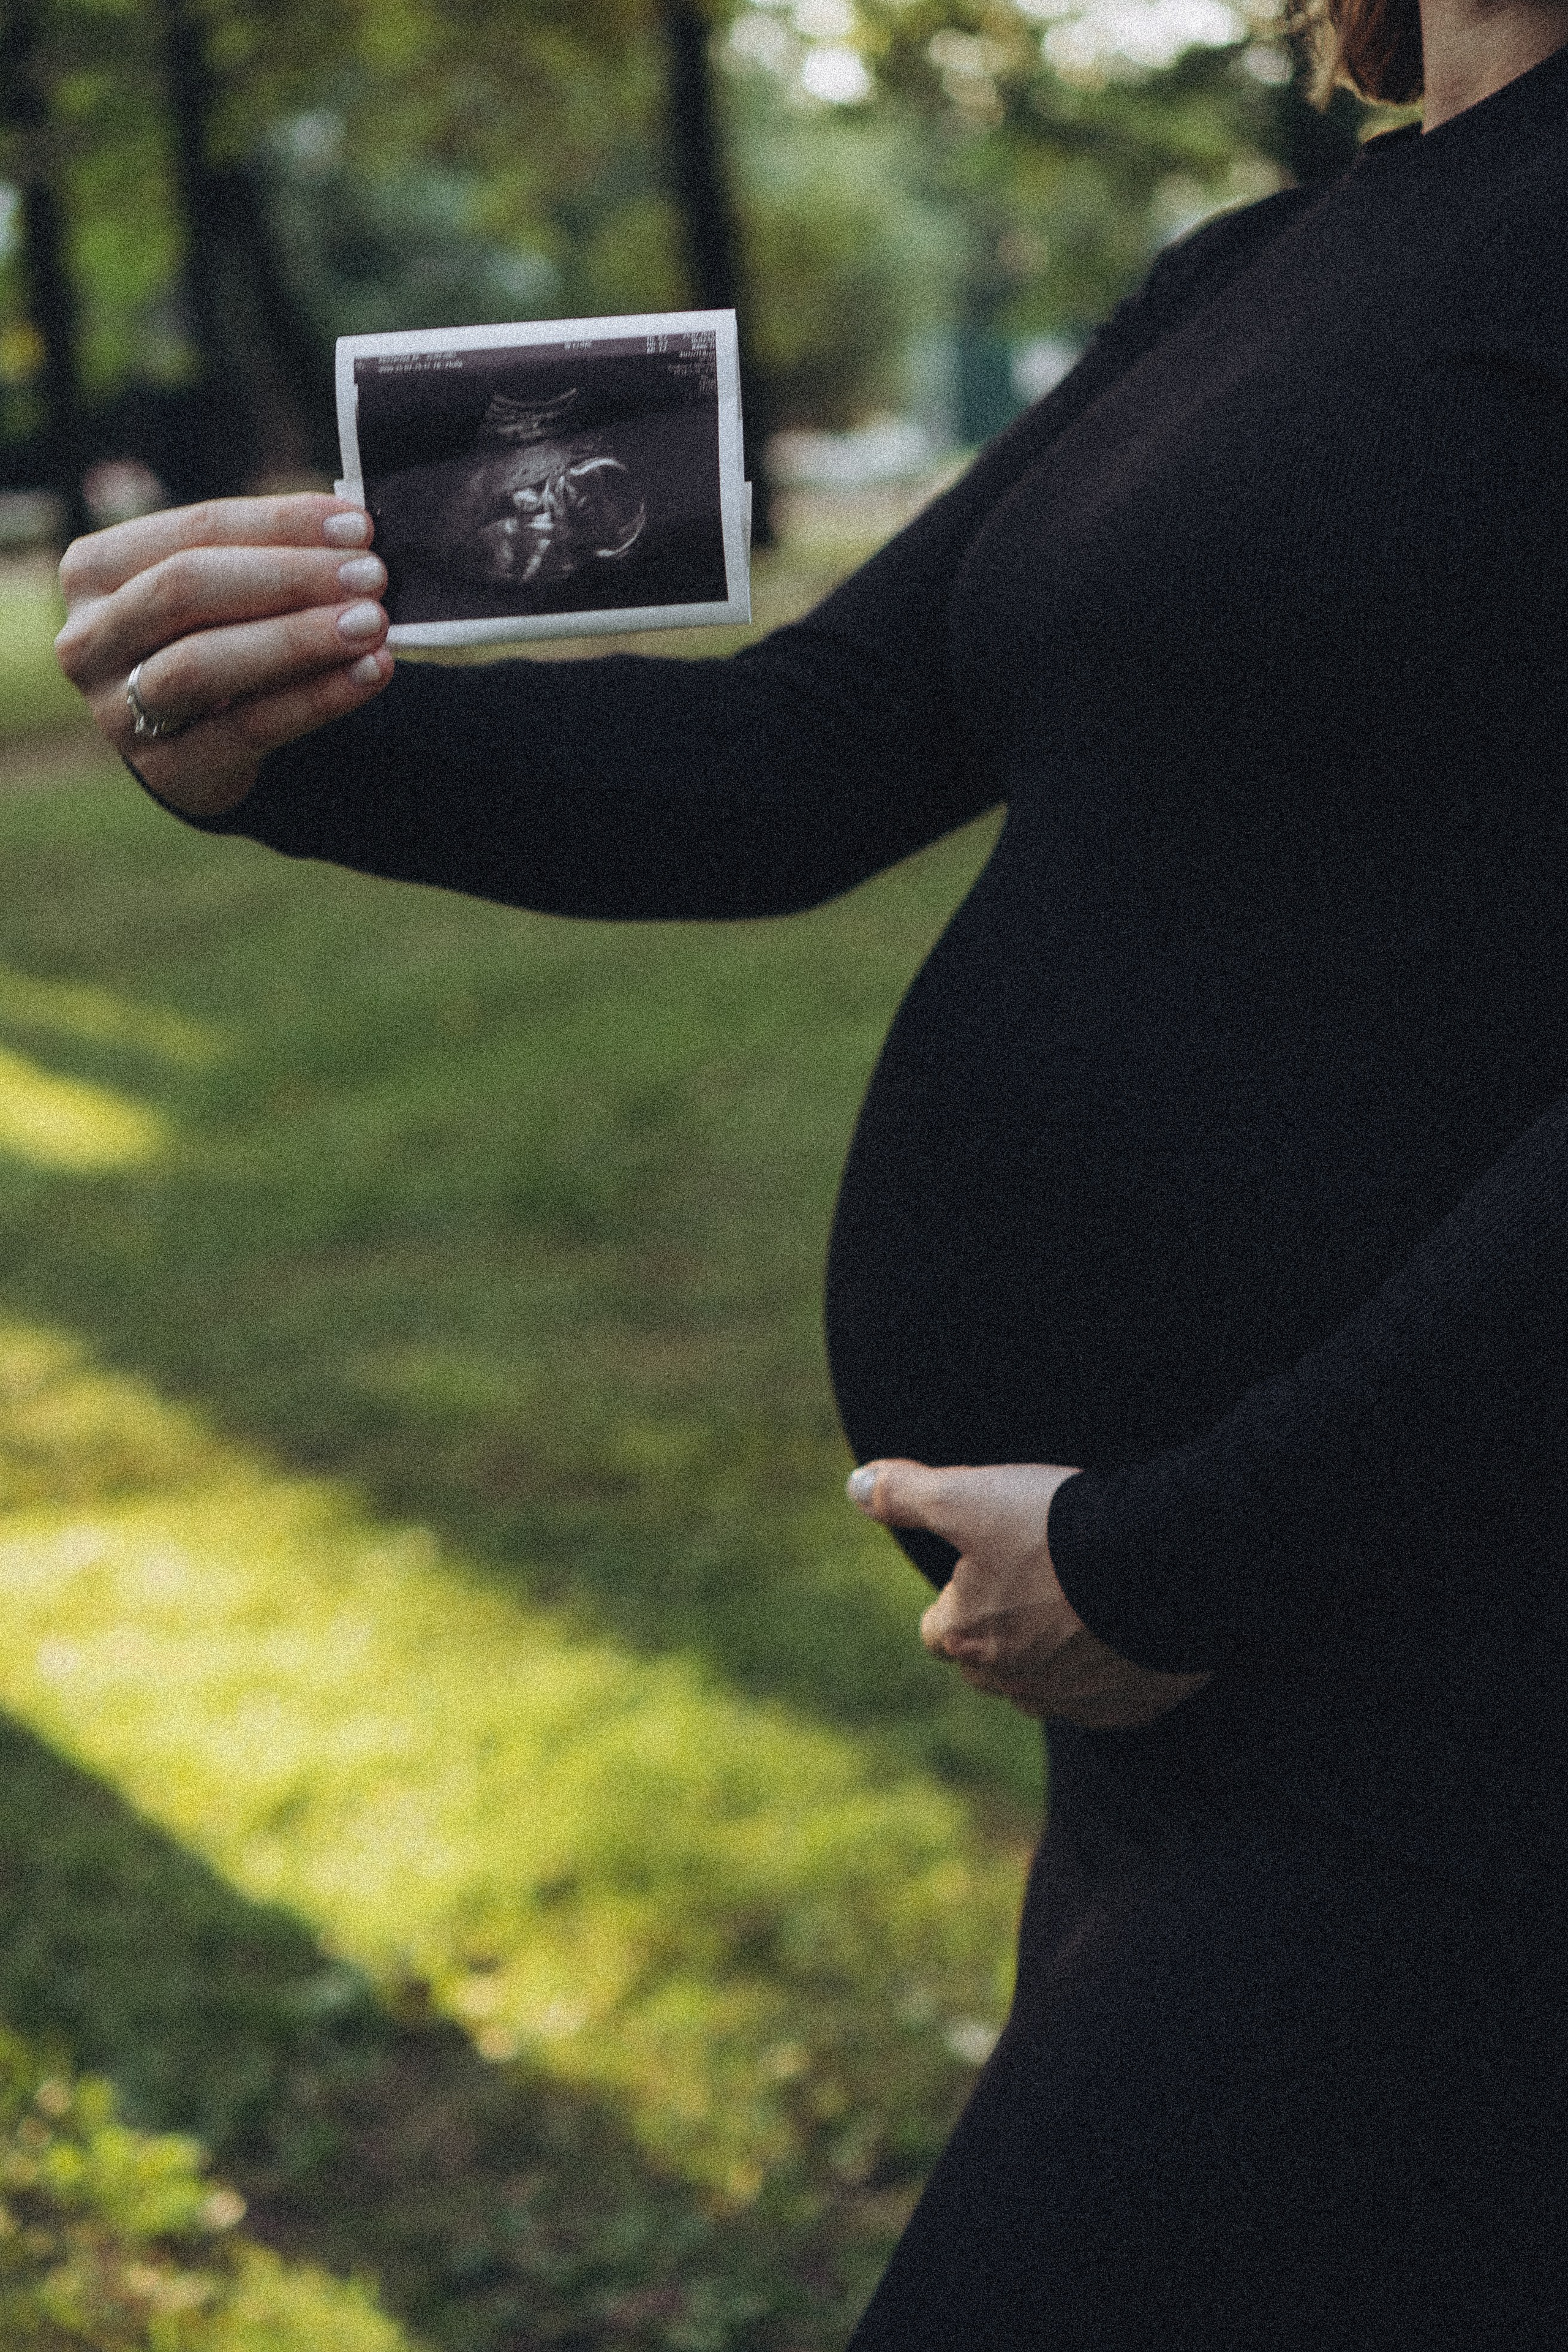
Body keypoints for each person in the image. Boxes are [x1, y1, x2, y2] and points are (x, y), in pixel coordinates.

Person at [54, 0, 1568, 2334]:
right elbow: (816, 749)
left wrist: (1189, 1550)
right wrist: (294, 758)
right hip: (1187, 1682)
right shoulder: (1262, 270)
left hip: (1433, 1664)